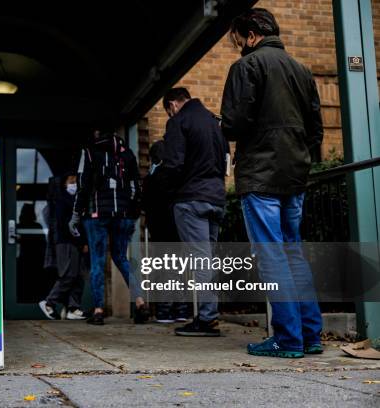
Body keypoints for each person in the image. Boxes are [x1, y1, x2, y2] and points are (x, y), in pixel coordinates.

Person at [221, 8, 324, 358]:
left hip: (260, 175)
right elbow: (316, 131)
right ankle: (310, 336)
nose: (237, 47)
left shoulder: (246, 67)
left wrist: (222, 123)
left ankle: (287, 339)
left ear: (251, 35)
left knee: (272, 257)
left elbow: (234, 124)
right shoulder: (303, 70)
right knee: (293, 253)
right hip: (293, 174)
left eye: (237, 40)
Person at [161, 87, 229, 337]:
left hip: (191, 199)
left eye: (168, 111)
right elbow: (226, 161)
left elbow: (174, 164)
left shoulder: (179, 121)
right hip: (216, 198)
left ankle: (207, 319)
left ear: (172, 105)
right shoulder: (214, 122)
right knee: (208, 260)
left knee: (200, 261)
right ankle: (209, 314)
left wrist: (167, 193)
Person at [69, 131, 149, 325]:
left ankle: (98, 310)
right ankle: (139, 301)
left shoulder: (88, 152)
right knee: (121, 258)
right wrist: (131, 213)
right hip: (122, 215)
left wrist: (76, 215)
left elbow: (82, 185)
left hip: (96, 214)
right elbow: (135, 187)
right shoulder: (127, 153)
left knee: (97, 262)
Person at [141, 140, 189, 323]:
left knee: (163, 270)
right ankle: (182, 309)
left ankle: (164, 310)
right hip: (176, 230)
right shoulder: (177, 176)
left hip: (159, 231)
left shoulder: (150, 180)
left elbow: (144, 204)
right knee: (178, 270)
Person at [39, 173, 89, 320]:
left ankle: (73, 308)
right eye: (71, 180)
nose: (74, 183)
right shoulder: (62, 200)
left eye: (75, 180)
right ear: (65, 183)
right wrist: (81, 242)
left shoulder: (77, 200)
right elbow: (66, 225)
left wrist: (83, 242)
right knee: (68, 274)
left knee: (79, 275)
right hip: (67, 242)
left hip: (77, 243)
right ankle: (49, 302)